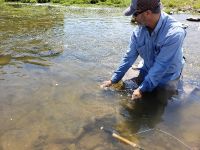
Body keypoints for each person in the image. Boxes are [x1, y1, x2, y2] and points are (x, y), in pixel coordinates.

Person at [101, 0, 186, 100]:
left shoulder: (174, 33)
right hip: (147, 70)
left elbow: (161, 66)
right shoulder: (138, 31)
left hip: (167, 76)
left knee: (158, 105)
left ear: (147, 13)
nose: (133, 18)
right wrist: (113, 80)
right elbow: (129, 57)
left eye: (135, 14)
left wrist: (142, 89)